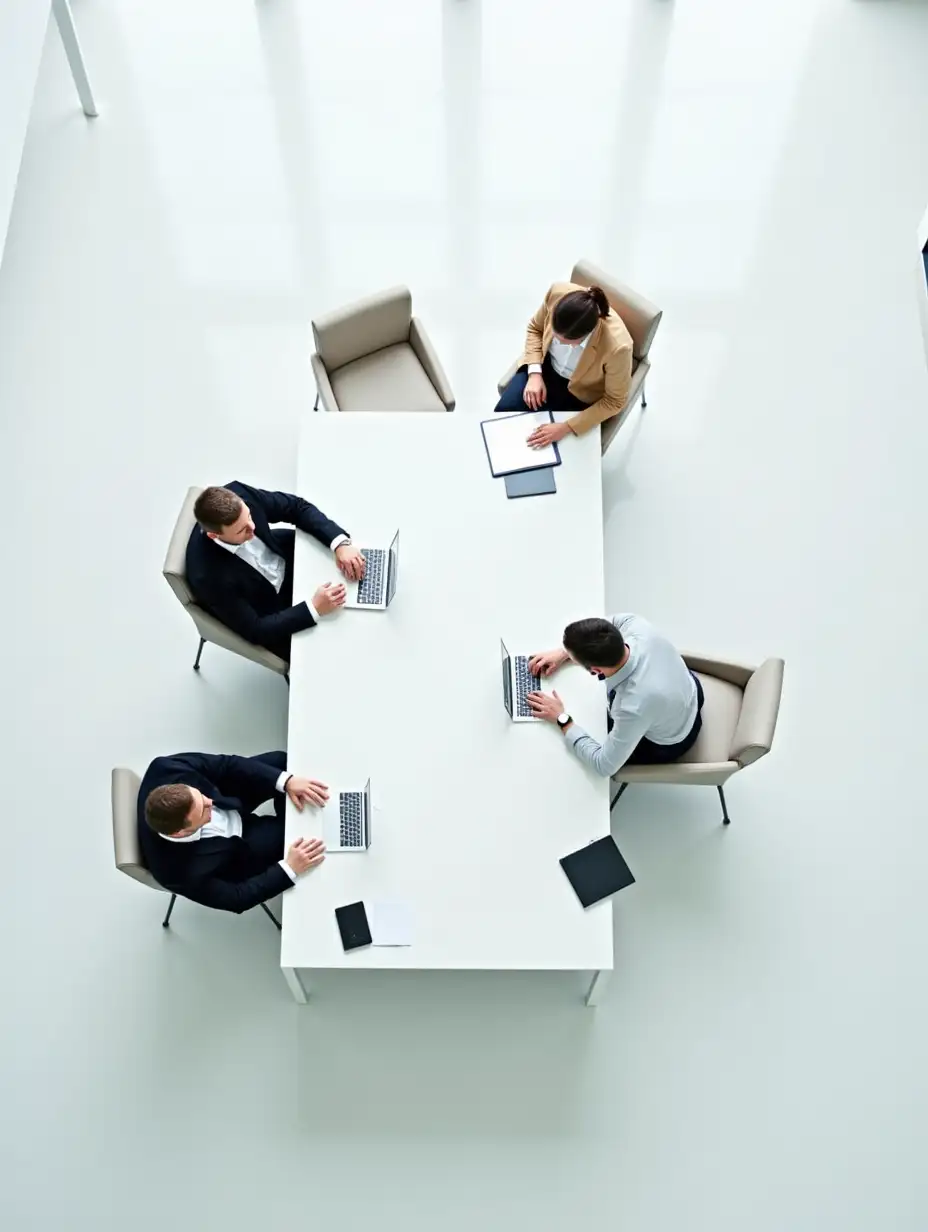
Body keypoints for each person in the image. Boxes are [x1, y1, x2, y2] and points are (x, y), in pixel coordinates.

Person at [186, 481, 366, 662]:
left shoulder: (239, 494)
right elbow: (255, 630)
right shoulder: (208, 576)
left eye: (249, 516)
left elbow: (296, 507)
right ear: (214, 535)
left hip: (288, 556)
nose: (253, 527)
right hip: (273, 606)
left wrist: (340, 544)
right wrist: (313, 608)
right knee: (343, 648)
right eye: (242, 530)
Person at [138, 749, 327, 914]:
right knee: (300, 838)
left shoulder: (166, 767)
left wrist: (287, 782)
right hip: (241, 845)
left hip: (229, 795)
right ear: (179, 833)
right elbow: (238, 898)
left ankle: (293, 804)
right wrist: (289, 868)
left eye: (201, 796)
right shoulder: (175, 872)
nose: (210, 802)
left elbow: (227, 764)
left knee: (283, 764)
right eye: (203, 810)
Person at [526, 614, 705, 778]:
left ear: (595, 670)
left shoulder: (631, 707)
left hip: (673, 739)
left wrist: (562, 718)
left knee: (592, 729)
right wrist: (563, 653)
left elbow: (603, 765)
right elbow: (607, 625)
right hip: (688, 691)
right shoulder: (638, 626)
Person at [493, 282, 633, 450]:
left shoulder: (618, 347)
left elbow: (615, 401)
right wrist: (535, 373)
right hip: (544, 368)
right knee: (503, 418)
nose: (556, 340)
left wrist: (566, 428)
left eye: (563, 341)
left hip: (580, 393)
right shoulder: (557, 293)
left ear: (585, 336)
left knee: (555, 451)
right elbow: (535, 329)